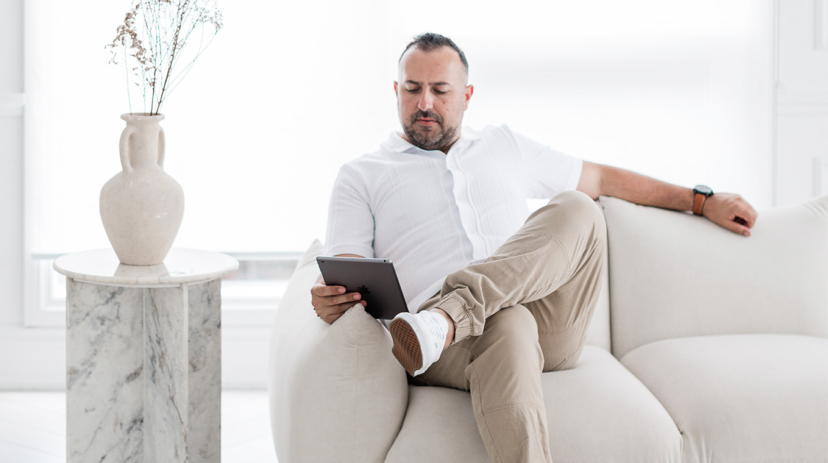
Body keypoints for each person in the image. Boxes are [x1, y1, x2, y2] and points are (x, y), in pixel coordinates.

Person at [311, 32, 758, 463]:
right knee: (507, 321)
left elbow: (600, 179)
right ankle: (444, 321)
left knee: (579, 206)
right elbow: (348, 269)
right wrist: (331, 296)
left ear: (467, 95)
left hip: (546, 324)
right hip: (443, 350)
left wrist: (700, 201)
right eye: (412, 89)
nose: (425, 103)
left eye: (440, 90)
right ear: (395, 91)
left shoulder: (503, 145)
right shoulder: (362, 175)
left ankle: (447, 316)